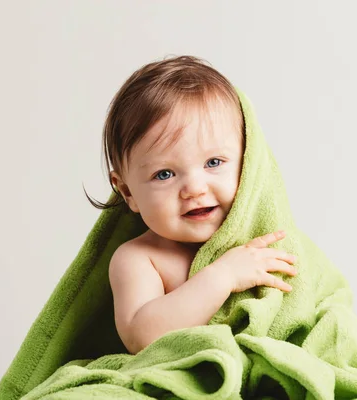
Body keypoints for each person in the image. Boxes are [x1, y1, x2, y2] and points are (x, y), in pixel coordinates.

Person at [85, 55, 298, 354]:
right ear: (127, 192)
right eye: (164, 174)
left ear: (248, 163)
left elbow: (318, 304)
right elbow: (141, 339)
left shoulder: (266, 241)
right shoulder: (140, 258)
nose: (194, 189)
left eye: (213, 162)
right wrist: (223, 276)